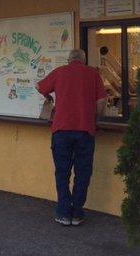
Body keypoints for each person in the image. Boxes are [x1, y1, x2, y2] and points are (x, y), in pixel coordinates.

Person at [37, 49, 107, 226]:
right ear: (83, 60)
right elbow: (101, 102)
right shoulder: (93, 74)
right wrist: (94, 118)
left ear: (69, 60)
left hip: (61, 131)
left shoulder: (60, 72)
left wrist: (49, 97)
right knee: (83, 173)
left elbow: (39, 86)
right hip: (85, 131)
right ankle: (77, 213)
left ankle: (63, 212)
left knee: (62, 173)